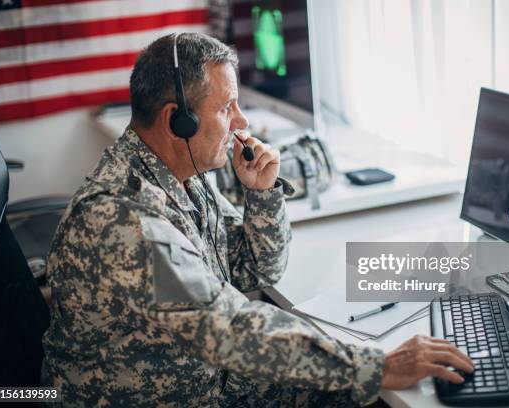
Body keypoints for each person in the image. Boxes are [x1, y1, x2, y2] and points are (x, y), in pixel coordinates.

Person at [42, 32, 473, 407]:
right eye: (227, 107)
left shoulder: (182, 175)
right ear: (180, 121)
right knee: (372, 391)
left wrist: (262, 193)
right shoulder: (124, 219)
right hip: (161, 398)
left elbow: (256, 269)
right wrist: (379, 365)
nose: (242, 122)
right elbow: (231, 327)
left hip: (209, 381)